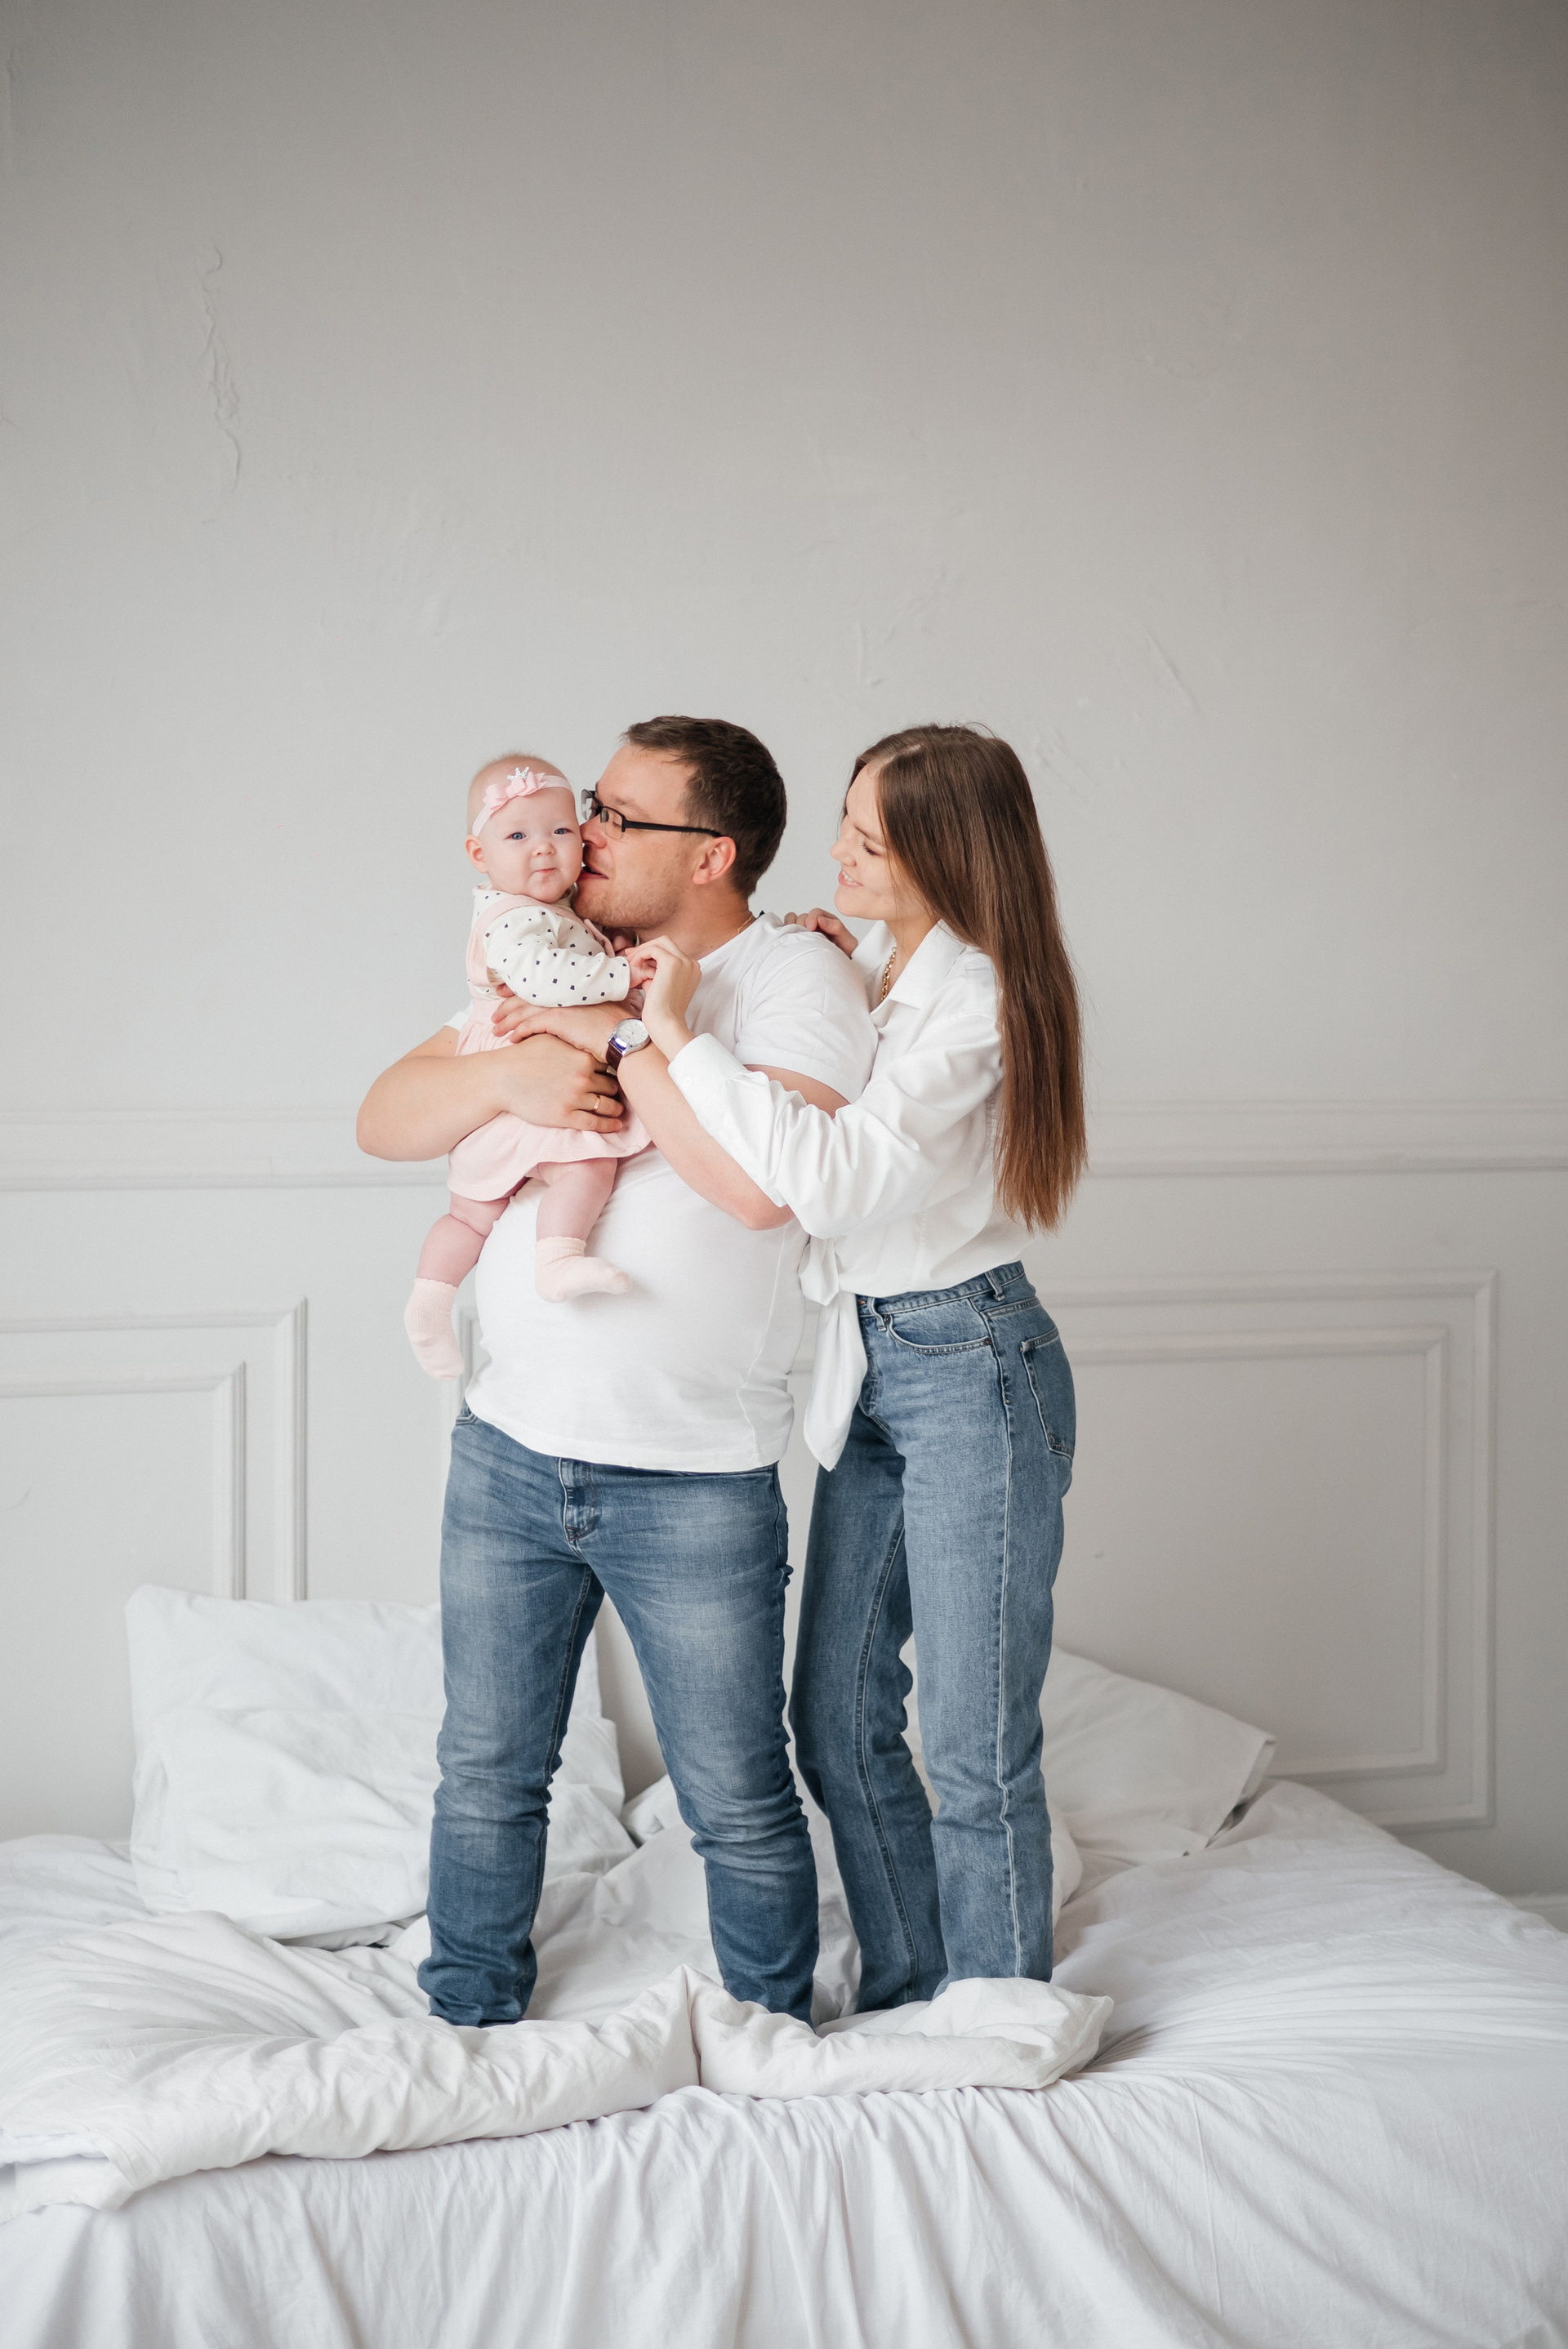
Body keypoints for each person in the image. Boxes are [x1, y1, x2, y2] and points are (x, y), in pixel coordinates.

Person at [358, 715, 876, 2025]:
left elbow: (767, 1190)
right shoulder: (559, 954)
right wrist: (515, 1073)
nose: (585, 834)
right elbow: (385, 1115)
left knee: (735, 1791)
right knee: (486, 1771)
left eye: (620, 817)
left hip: (691, 1476)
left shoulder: (792, 977)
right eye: (590, 803)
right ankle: (468, 2019)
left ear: (712, 854)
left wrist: (622, 1039)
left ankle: (767, 2033)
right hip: (507, 1450)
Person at [629, 724, 1086, 2010]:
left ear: (947, 853)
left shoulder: (980, 1000)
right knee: (834, 1717)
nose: (834, 854)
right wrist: (842, 954)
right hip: (877, 1361)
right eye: (844, 822)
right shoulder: (880, 964)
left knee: (974, 1744)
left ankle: (999, 2021)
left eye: (868, 842)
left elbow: (826, 1183)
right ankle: (910, 1991)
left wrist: (676, 1037)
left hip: (971, 1362)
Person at [405, 753, 653, 1374]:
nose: (544, 848)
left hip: (538, 1078)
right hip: (522, 1075)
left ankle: (442, 1297)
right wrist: (622, 973)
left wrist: (611, 946)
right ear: (479, 853)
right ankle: (530, 1270)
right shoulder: (511, 920)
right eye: (517, 836)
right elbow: (549, 979)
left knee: (477, 1211)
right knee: (579, 1171)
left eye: (561, 830)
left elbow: (573, 957)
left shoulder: (556, 912)